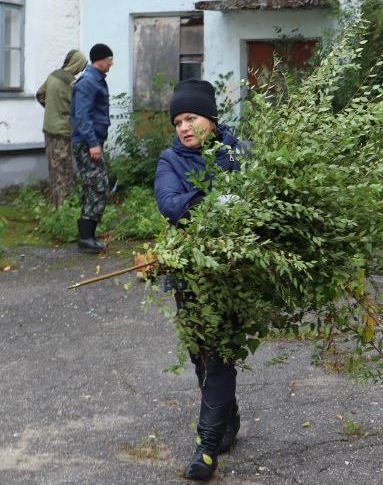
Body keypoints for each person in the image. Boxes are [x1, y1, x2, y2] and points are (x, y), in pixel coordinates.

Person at [153, 79, 244, 481]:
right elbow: (171, 206)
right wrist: (212, 197)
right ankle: (228, 417)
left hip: (231, 274)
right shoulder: (169, 161)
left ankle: (206, 449)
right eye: (177, 121)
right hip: (189, 272)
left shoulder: (238, 152)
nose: (183, 127)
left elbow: (263, 197)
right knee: (201, 356)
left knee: (219, 353)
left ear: (210, 118)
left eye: (191, 117)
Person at [70, 43, 114, 254]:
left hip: (91, 142)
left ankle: (87, 236)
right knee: (98, 185)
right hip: (88, 143)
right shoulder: (88, 82)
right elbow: (82, 115)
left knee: (92, 185)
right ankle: (86, 238)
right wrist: (93, 143)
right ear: (100, 59)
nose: (111, 63)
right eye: (109, 59)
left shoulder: (95, 79)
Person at [35, 49, 87, 206]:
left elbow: (39, 94)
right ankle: (63, 209)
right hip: (63, 132)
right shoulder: (72, 83)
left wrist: (51, 109)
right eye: (82, 66)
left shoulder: (53, 75)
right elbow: (78, 108)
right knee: (64, 172)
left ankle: (55, 204)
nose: (81, 70)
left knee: (53, 169)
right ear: (76, 64)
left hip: (48, 129)